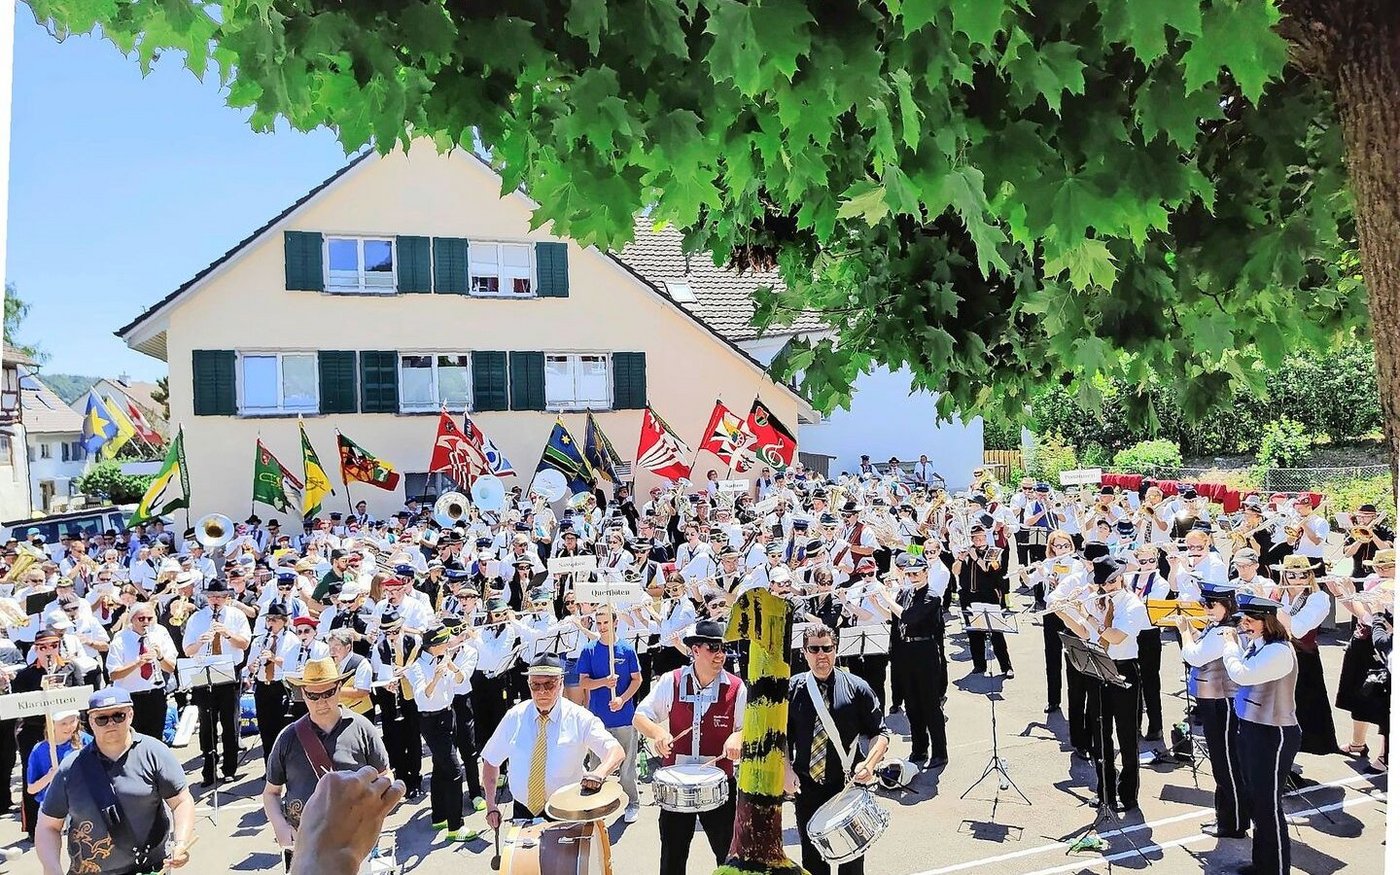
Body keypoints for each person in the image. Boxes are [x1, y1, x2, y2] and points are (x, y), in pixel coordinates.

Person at [36, 688, 197, 875]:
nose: (111, 723)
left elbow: (181, 801)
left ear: (130, 715)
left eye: (118, 716)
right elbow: (48, 826)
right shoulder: (70, 768)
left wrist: (181, 843)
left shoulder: (155, 753)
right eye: (102, 719)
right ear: (91, 721)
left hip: (148, 868)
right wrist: (52, 868)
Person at [634, 620, 746, 875]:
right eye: (713, 648)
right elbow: (640, 716)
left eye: (723, 648)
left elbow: (747, 727)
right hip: (676, 783)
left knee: (728, 857)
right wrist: (658, 733)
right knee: (672, 857)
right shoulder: (671, 681)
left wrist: (737, 737)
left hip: (719, 782)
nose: (720, 655)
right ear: (695, 650)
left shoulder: (736, 687)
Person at [262, 656, 392, 869]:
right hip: (304, 844)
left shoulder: (362, 728)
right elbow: (271, 793)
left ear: (339, 688)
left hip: (354, 843)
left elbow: (385, 777)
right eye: (313, 695)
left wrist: (372, 819)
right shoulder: (287, 737)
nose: (321, 702)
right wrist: (280, 826)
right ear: (303, 693)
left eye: (328, 693)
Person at [784, 623, 890, 875]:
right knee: (812, 861)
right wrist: (786, 770)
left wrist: (869, 764)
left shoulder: (857, 687)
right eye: (814, 649)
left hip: (847, 784)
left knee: (852, 862)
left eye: (827, 648)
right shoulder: (792, 689)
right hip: (807, 786)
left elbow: (880, 734)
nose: (821, 655)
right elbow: (782, 737)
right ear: (804, 652)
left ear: (836, 649)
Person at [480, 655, 624, 828]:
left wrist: (600, 773)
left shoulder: (580, 718)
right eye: (536, 685)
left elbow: (615, 751)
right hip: (523, 811)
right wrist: (491, 805)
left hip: (568, 810)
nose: (542, 691)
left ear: (561, 683)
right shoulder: (514, 716)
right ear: (528, 685)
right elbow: (491, 760)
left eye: (549, 684)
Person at [1055, 556, 1149, 812]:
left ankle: (1128, 795)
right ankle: (1105, 790)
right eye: (1102, 584)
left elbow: (1115, 637)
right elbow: (1085, 632)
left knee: (1127, 735)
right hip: (1098, 667)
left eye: (1111, 582)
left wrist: (1087, 614)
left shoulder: (1132, 604)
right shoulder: (1098, 601)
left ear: (1120, 578)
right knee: (1100, 732)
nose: (1107, 587)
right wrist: (1063, 611)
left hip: (1124, 669)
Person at [1222, 594, 1302, 875]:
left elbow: (1242, 674)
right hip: (1252, 728)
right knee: (1256, 800)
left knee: (1268, 804)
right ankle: (1262, 864)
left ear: (1267, 622)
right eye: (1243, 620)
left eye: (1250, 621)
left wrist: (1230, 646)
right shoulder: (1260, 644)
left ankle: (1276, 868)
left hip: (1273, 733)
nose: (1244, 625)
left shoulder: (1279, 651)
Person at [1176, 584, 1249, 840]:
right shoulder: (1217, 627)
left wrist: (1183, 632)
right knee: (1221, 762)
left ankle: (1235, 822)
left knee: (1226, 762)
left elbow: (1195, 656)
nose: (1206, 609)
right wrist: (1193, 631)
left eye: (1211, 604)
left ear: (1227, 606)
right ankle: (1225, 817)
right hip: (1212, 699)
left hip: (1222, 701)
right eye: (1204, 604)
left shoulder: (1225, 630)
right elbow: (1204, 645)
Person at [181, 578, 251, 787]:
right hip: (203, 671)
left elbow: (244, 644)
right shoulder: (197, 618)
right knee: (206, 723)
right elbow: (187, 650)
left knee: (230, 722)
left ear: (227, 597)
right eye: (211, 596)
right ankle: (209, 770)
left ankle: (229, 769)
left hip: (229, 672)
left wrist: (227, 633)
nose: (215, 600)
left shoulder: (236, 616)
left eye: (219, 597)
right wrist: (200, 642)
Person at [407, 626, 475, 840]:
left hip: (448, 715)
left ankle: (439, 816)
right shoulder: (417, 667)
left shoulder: (444, 659)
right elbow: (422, 697)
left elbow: (461, 681)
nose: (449, 644)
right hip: (431, 721)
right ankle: (456, 826)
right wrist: (435, 678)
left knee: (439, 767)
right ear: (434, 646)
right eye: (445, 642)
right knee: (455, 771)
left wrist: (453, 667)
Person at [577, 605, 643, 822]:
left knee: (627, 767)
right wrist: (604, 682)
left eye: (606, 622)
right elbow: (583, 682)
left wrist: (622, 699)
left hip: (624, 718)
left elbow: (637, 679)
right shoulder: (589, 650)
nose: (602, 627)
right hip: (598, 719)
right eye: (599, 623)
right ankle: (596, 806)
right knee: (597, 766)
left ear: (615, 622)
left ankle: (632, 803)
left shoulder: (626, 649)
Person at [892, 555, 949, 767]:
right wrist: (877, 600)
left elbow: (908, 617)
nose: (912, 577)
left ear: (926, 572)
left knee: (930, 705)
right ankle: (919, 749)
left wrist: (886, 598)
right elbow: (893, 616)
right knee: (912, 704)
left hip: (926, 651)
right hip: (907, 651)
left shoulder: (932, 597)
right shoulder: (907, 593)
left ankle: (940, 752)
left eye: (916, 573)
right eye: (909, 574)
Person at [105, 602, 178, 741]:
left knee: (155, 739)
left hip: (155, 694)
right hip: (130, 697)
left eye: (149, 619)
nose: (146, 622)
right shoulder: (120, 638)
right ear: (132, 619)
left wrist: (160, 657)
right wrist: (137, 663)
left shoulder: (160, 632)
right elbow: (113, 675)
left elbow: (170, 668)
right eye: (141, 619)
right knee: (131, 740)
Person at [24, 710, 88, 813]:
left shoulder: (86, 741)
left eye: (72, 721)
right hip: (52, 806)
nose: (69, 727)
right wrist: (50, 776)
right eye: (63, 723)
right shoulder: (40, 750)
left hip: (82, 803)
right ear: (52, 724)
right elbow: (31, 789)